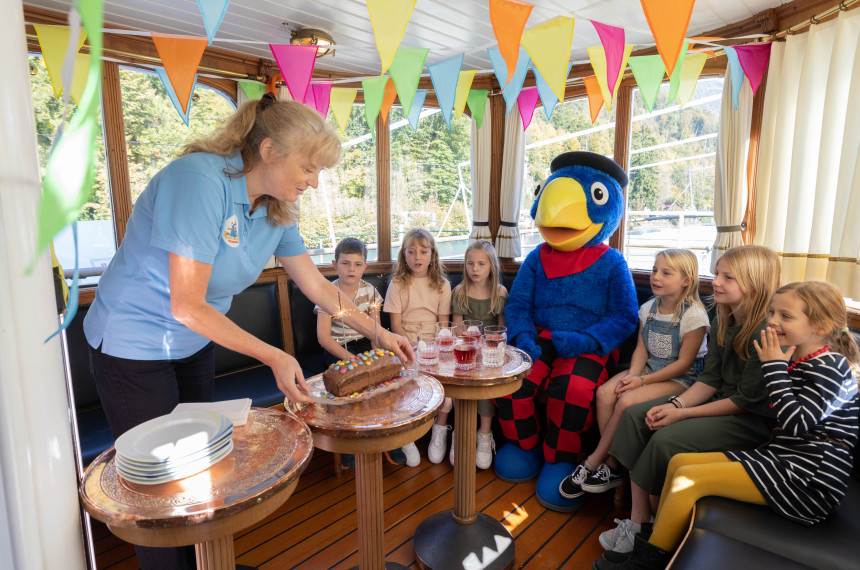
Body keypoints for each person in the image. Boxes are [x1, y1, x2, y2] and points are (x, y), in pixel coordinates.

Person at [83, 95, 413, 570]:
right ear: (269, 150)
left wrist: (380, 335)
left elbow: (319, 286)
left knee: (201, 469)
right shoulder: (199, 181)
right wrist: (276, 356)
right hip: (133, 346)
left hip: (196, 341)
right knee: (156, 491)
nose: (314, 182)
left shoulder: (277, 209)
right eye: (308, 167)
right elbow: (187, 303)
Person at [594, 280, 859, 569]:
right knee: (681, 463)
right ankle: (656, 536)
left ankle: (648, 561)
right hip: (784, 461)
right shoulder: (798, 359)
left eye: (786, 316)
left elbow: (796, 423)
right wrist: (778, 367)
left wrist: (773, 368)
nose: (772, 321)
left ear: (821, 326)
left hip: (807, 481)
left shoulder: (831, 367)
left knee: (689, 480)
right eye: (772, 312)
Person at [599, 245, 781, 554]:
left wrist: (681, 415)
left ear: (753, 284)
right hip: (719, 400)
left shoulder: (763, 332)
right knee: (637, 415)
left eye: (728, 277)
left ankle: (656, 530)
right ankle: (639, 520)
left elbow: (743, 401)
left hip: (748, 419)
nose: (716, 282)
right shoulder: (725, 318)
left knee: (664, 439)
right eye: (718, 273)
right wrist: (675, 405)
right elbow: (710, 379)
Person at [560, 249, 709, 499]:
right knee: (607, 393)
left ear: (686, 280)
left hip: (680, 379)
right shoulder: (648, 308)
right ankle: (612, 465)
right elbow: (641, 348)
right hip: (649, 369)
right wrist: (633, 375)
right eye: (654, 270)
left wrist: (641, 381)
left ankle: (594, 461)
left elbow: (683, 364)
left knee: (627, 401)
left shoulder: (694, 315)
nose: (655, 277)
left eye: (665, 273)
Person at [428, 240, 508, 468]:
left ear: (491, 266)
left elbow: (501, 331)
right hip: (463, 353)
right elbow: (456, 330)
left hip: (490, 355)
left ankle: (484, 435)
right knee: (456, 389)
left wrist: (490, 351)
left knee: (484, 391)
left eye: (481, 264)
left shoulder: (500, 293)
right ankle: (447, 432)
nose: (475, 269)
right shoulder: (460, 292)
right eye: (470, 263)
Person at [385, 228, 452, 467]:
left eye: (423, 252)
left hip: (434, 344)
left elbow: (444, 324)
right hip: (405, 344)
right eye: (411, 252)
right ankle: (407, 438)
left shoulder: (443, 285)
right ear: (404, 256)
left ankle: (439, 431)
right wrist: (413, 346)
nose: (417, 257)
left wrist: (436, 348)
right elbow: (394, 325)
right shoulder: (397, 284)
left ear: (432, 256)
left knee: (447, 394)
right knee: (405, 390)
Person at [315, 238, 383, 364]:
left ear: (365, 267)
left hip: (365, 342)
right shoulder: (327, 293)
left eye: (358, 264)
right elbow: (323, 338)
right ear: (335, 264)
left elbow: (375, 330)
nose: (351, 269)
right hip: (338, 347)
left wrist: (377, 357)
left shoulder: (370, 291)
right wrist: (353, 360)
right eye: (345, 263)